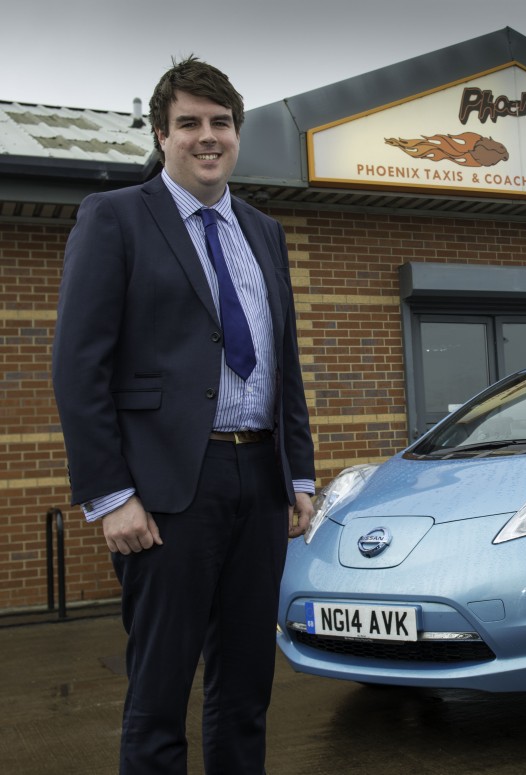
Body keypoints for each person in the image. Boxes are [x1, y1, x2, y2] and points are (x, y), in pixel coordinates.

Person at [51, 56, 316, 773]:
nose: (208, 136)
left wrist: (300, 476)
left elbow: (283, 364)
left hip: (259, 480)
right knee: (159, 696)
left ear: (238, 133)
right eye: (189, 123)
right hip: (167, 491)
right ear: (162, 135)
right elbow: (79, 368)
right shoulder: (116, 218)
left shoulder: (264, 232)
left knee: (245, 694)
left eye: (221, 123)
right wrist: (111, 495)